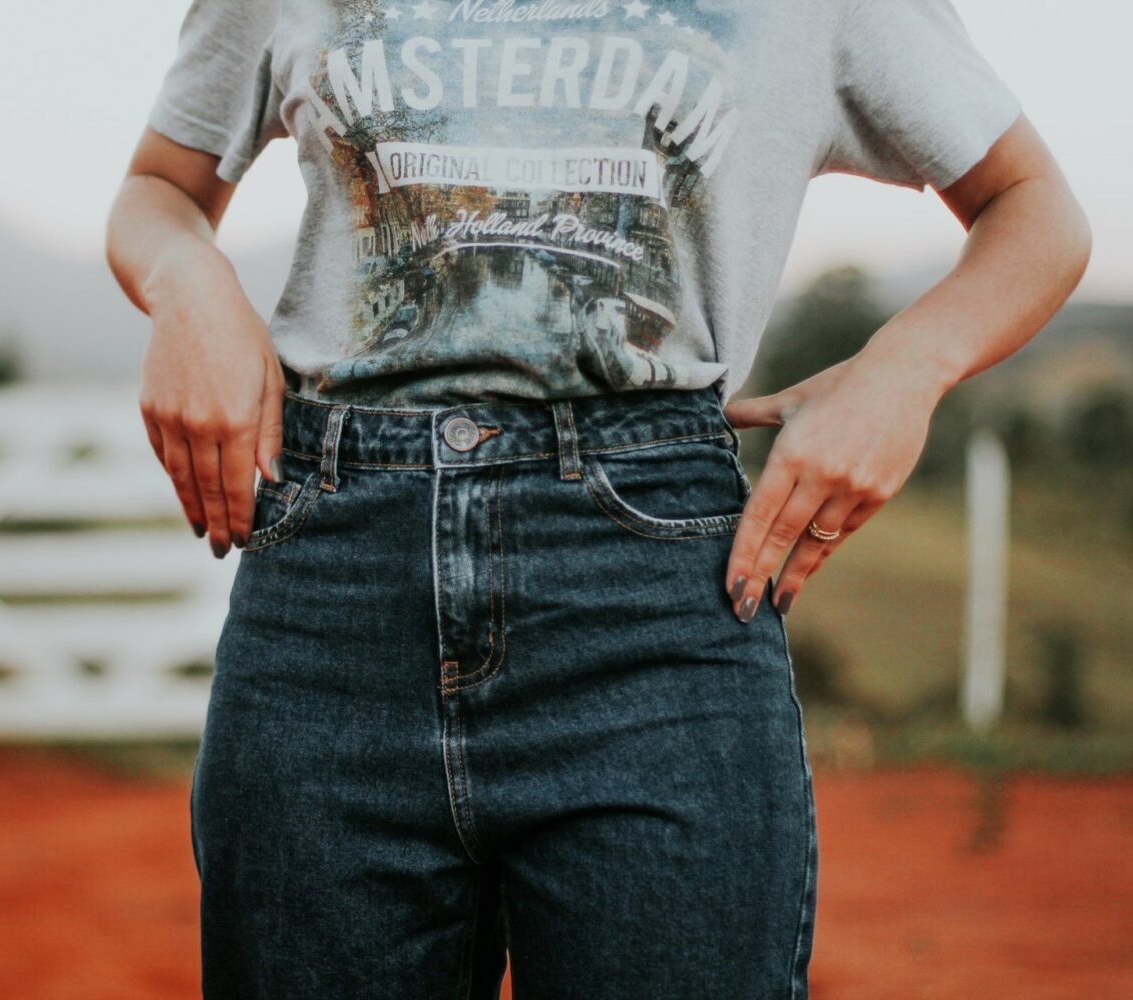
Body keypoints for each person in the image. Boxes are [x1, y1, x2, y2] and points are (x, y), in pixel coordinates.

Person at [105, 1, 1091, 996]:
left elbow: (1036, 209)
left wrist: (906, 368)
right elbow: (158, 187)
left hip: (650, 595)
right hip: (334, 593)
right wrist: (190, 280)